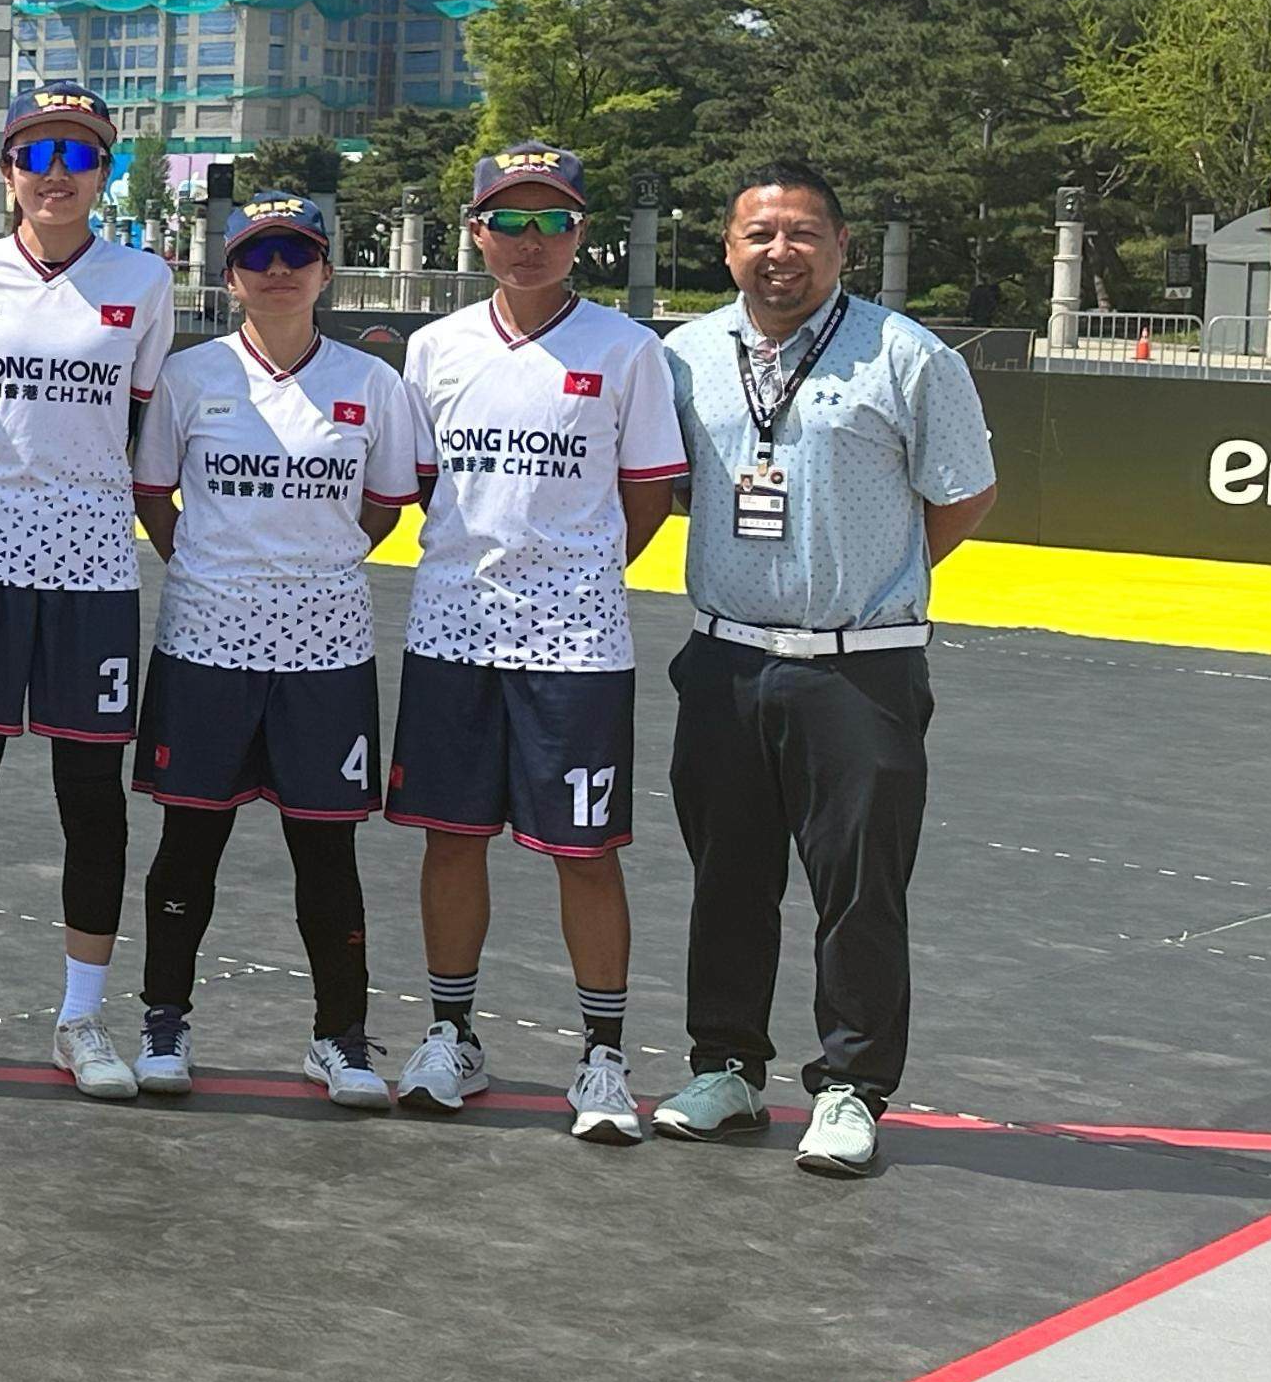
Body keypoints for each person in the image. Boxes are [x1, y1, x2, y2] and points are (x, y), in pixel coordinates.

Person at [654, 157, 995, 1179]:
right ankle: (723, 1066)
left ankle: (849, 1086)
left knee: (857, 889)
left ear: (841, 247)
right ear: (725, 248)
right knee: (726, 878)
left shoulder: (908, 356)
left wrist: (874, 574)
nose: (778, 251)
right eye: (757, 233)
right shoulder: (680, 356)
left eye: (802, 232)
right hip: (723, 660)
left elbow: (961, 496)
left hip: (859, 669)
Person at [386, 145, 688, 1142]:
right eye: (505, 221)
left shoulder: (626, 350)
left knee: (583, 850)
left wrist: (571, 569)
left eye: (548, 221)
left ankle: (601, 1054)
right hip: (450, 629)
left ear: (579, 230)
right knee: (450, 836)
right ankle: (449, 1034)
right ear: (472, 230)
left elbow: (644, 497)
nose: (527, 241)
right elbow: (424, 484)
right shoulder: (432, 349)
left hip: (575, 643)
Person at [0, 81, 175, 1094]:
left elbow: (139, 418)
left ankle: (78, 1019)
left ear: (103, 172)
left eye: (80, 157)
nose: (57, 175)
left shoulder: (141, 280)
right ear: (6, 170)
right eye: (38, 155)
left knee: (88, 801)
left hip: (93, 574)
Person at [132, 194, 423, 1111]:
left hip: (326, 654)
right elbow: (153, 498)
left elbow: (383, 505)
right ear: (230, 276)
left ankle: (338, 1038)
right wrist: (217, 571)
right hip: (204, 645)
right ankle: (164, 1021)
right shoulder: (191, 376)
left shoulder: (371, 383)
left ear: (326, 271)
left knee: (324, 856)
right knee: (188, 844)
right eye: (258, 256)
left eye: (298, 253)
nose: (279, 271)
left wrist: (314, 568)